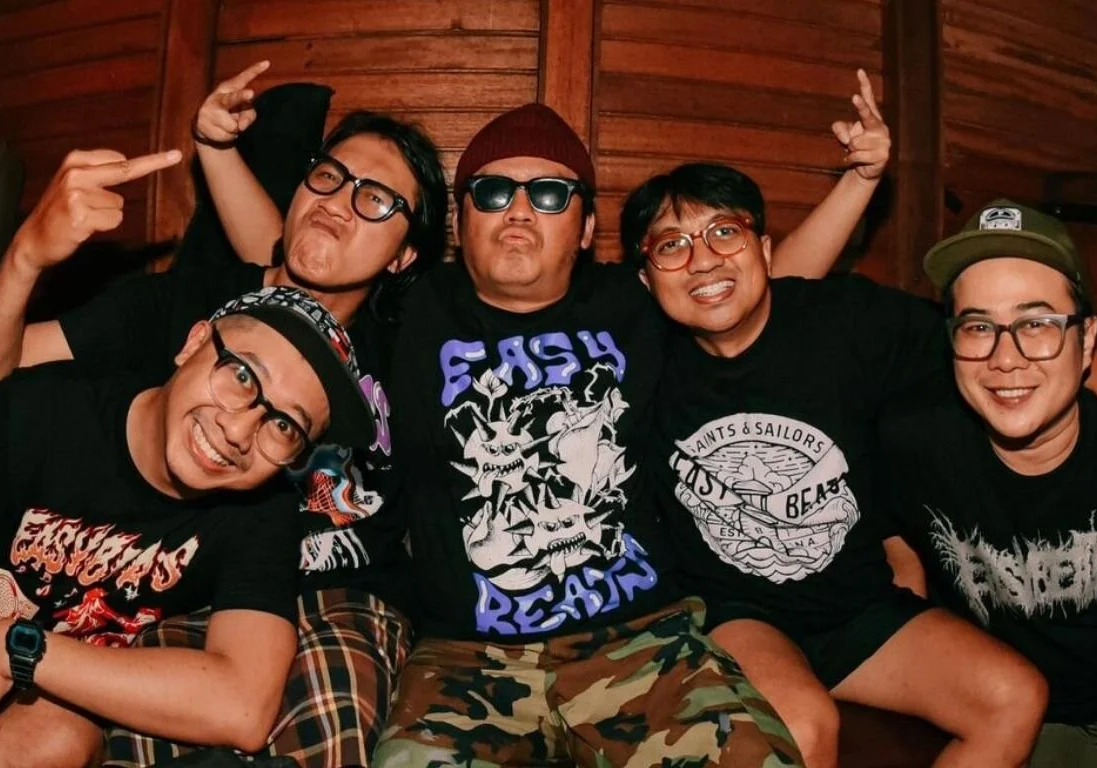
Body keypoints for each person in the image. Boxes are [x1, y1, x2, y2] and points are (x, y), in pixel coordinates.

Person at [374, 68, 895, 766]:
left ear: (586, 227)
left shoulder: (634, 302)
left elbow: (754, 287)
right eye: (493, 191)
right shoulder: (407, 309)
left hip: (639, 641)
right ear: (461, 220)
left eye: (549, 193)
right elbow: (296, 276)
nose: (519, 210)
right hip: (466, 655)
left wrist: (860, 181)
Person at [0, 65, 449, 765]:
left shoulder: (414, 336)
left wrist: (217, 152)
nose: (339, 204)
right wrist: (26, 257)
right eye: (329, 177)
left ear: (406, 255)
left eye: (377, 199)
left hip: (337, 591)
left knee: (321, 732)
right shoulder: (189, 304)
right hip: (176, 585)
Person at [620, 170, 1097, 768]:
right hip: (739, 612)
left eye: (724, 231)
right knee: (803, 728)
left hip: (857, 608)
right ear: (646, 277)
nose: (703, 259)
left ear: (764, 248)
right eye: (671, 244)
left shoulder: (847, 318)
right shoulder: (638, 350)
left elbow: (1005, 340)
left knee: (1015, 697)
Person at [0, 286, 374, 768]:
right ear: (195, 343)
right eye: (242, 375)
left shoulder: (263, 509)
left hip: (54, 685)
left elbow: (244, 708)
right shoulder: (43, 410)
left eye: (284, 426)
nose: (239, 431)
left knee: (64, 735)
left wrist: (20, 650)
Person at [877, 200, 1097, 768]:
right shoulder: (916, 441)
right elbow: (882, 522)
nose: (1005, 358)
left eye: (1036, 324)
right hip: (1030, 718)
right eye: (979, 326)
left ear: (1086, 341)